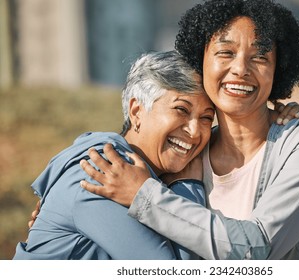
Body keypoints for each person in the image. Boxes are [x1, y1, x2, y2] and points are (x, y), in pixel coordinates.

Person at [79, 0, 299, 260]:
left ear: (278, 69)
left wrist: (145, 196)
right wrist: (54, 202)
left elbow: (257, 250)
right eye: (226, 52)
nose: (241, 69)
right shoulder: (189, 151)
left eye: (260, 57)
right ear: (201, 61)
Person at [13, 50, 216, 259]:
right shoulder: (100, 171)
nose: (194, 131)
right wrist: (188, 185)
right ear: (136, 111)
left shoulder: (145, 176)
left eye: (207, 118)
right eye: (181, 110)